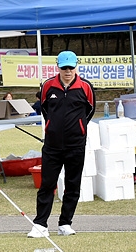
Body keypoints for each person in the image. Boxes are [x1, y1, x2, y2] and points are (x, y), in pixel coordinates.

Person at [27, 51, 95, 238]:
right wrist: (53, 126)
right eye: (64, 67)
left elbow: (90, 111)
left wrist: (78, 128)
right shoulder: (48, 86)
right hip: (52, 145)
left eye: (71, 67)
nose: (67, 71)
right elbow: (44, 109)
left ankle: (65, 223)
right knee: (47, 184)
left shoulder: (85, 87)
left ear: (76, 66)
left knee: (73, 185)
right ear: (57, 66)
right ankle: (40, 224)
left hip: (76, 145)